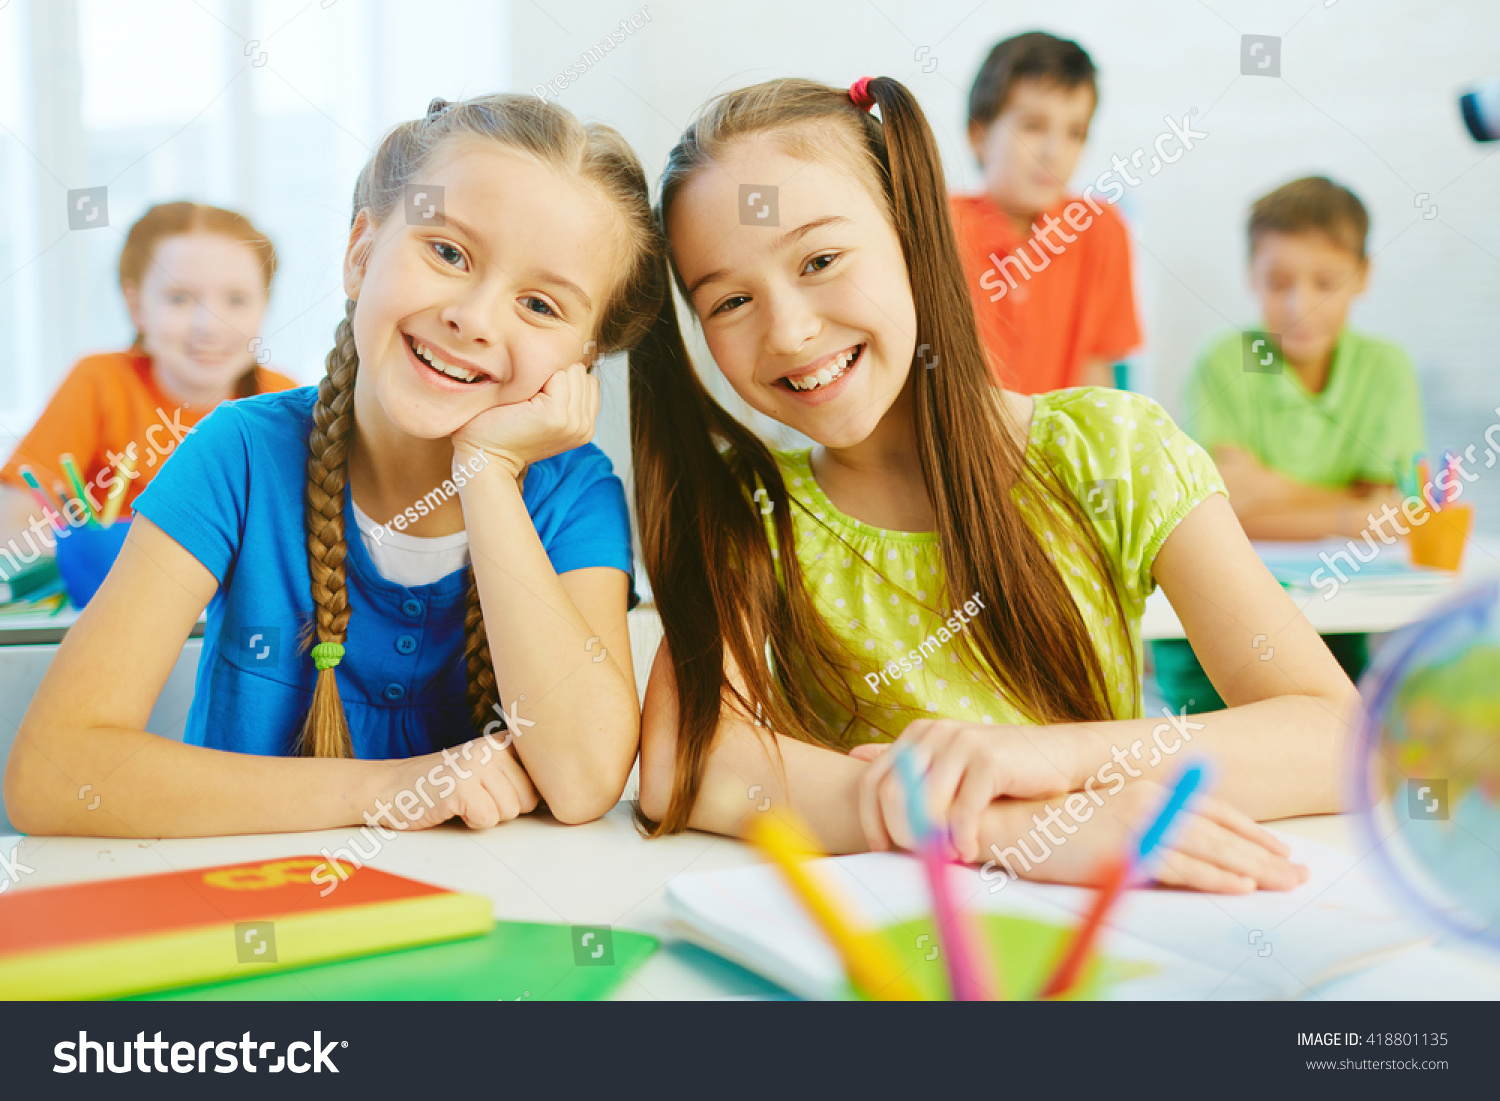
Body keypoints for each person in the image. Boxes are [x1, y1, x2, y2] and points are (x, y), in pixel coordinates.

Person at [630, 76, 1361, 894]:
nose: (790, 330)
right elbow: (682, 756)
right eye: (730, 300)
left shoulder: (1110, 451)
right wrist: (995, 823)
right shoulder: (751, 504)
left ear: (914, 232)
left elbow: (1337, 733)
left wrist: (1047, 761)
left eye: (822, 259)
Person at [5, 94, 659, 837]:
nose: (473, 318)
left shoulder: (575, 495)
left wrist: (485, 471)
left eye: (540, 305)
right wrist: (401, 787)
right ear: (360, 252)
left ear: (584, 359)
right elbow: (54, 775)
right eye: (446, 252)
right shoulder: (240, 455)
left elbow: (582, 780)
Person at [1155, 176, 1425, 712]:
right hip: (1208, 649)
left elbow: (1392, 519)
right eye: (1278, 283)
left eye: (1326, 281)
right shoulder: (1223, 363)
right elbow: (1219, 517)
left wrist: (1264, 492)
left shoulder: (1384, 368)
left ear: (1362, 276)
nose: (1300, 303)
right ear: (1250, 277)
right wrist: (1349, 512)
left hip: (1336, 640)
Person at [950, 32, 1141, 393]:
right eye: (1033, 127)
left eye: (1076, 132)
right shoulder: (938, 226)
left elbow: (1096, 376)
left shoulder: (1101, 229)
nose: (1055, 152)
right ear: (979, 135)